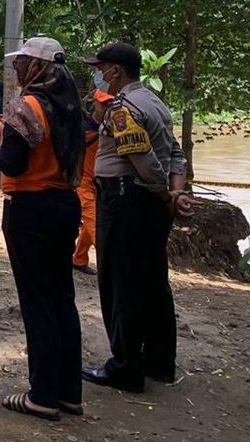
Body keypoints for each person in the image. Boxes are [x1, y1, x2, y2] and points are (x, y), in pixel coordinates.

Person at [82, 43, 195, 394]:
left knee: (121, 283)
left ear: (116, 70)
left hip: (125, 200)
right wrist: (176, 194)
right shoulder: (156, 103)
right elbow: (176, 153)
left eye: (100, 67)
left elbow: (141, 158)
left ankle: (126, 367)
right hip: (149, 204)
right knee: (152, 281)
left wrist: (164, 193)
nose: (98, 74)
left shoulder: (122, 108)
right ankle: (160, 361)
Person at [0, 37, 87, 421]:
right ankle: (69, 393)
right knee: (62, 298)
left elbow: (11, 164)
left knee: (38, 304)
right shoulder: (73, 107)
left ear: (37, 67)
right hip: (65, 206)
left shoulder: (28, 107)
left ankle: (42, 395)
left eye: (22, 64)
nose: (16, 70)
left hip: (31, 208)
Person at [73, 89, 113, 274]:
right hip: (83, 183)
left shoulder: (115, 127)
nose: (107, 107)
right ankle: (112, 266)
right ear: (95, 103)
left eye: (110, 103)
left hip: (100, 183)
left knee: (92, 222)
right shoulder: (82, 127)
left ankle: (79, 259)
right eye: (104, 103)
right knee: (95, 224)